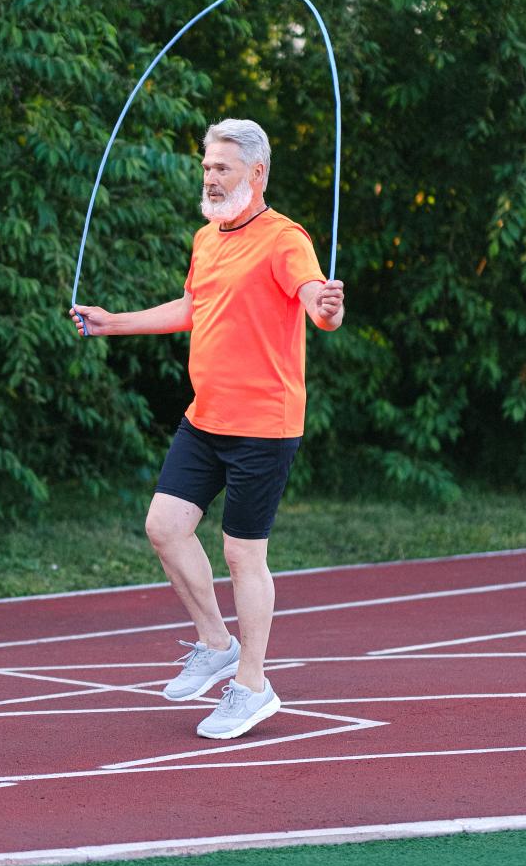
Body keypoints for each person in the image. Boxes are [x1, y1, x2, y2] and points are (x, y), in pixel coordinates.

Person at [70, 118, 344, 740]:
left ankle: (252, 686)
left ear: (257, 172)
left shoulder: (284, 239)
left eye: (222, 167)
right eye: (206, 168)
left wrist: (328, 309)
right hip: (206, 419)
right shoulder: (207, 238)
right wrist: (113, 323)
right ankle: (216, 643)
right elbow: (193, 309)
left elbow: (315, 302)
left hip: (263, 426)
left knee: (243, 554)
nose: (211, 177)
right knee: (164, 527)